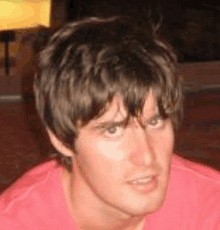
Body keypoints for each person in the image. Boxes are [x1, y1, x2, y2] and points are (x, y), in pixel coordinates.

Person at [0, 16, 219, 230]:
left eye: (155, 122)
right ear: (60, 139)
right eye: (113, 130)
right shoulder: (16, 222)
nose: (146, 156)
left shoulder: (210, 207)